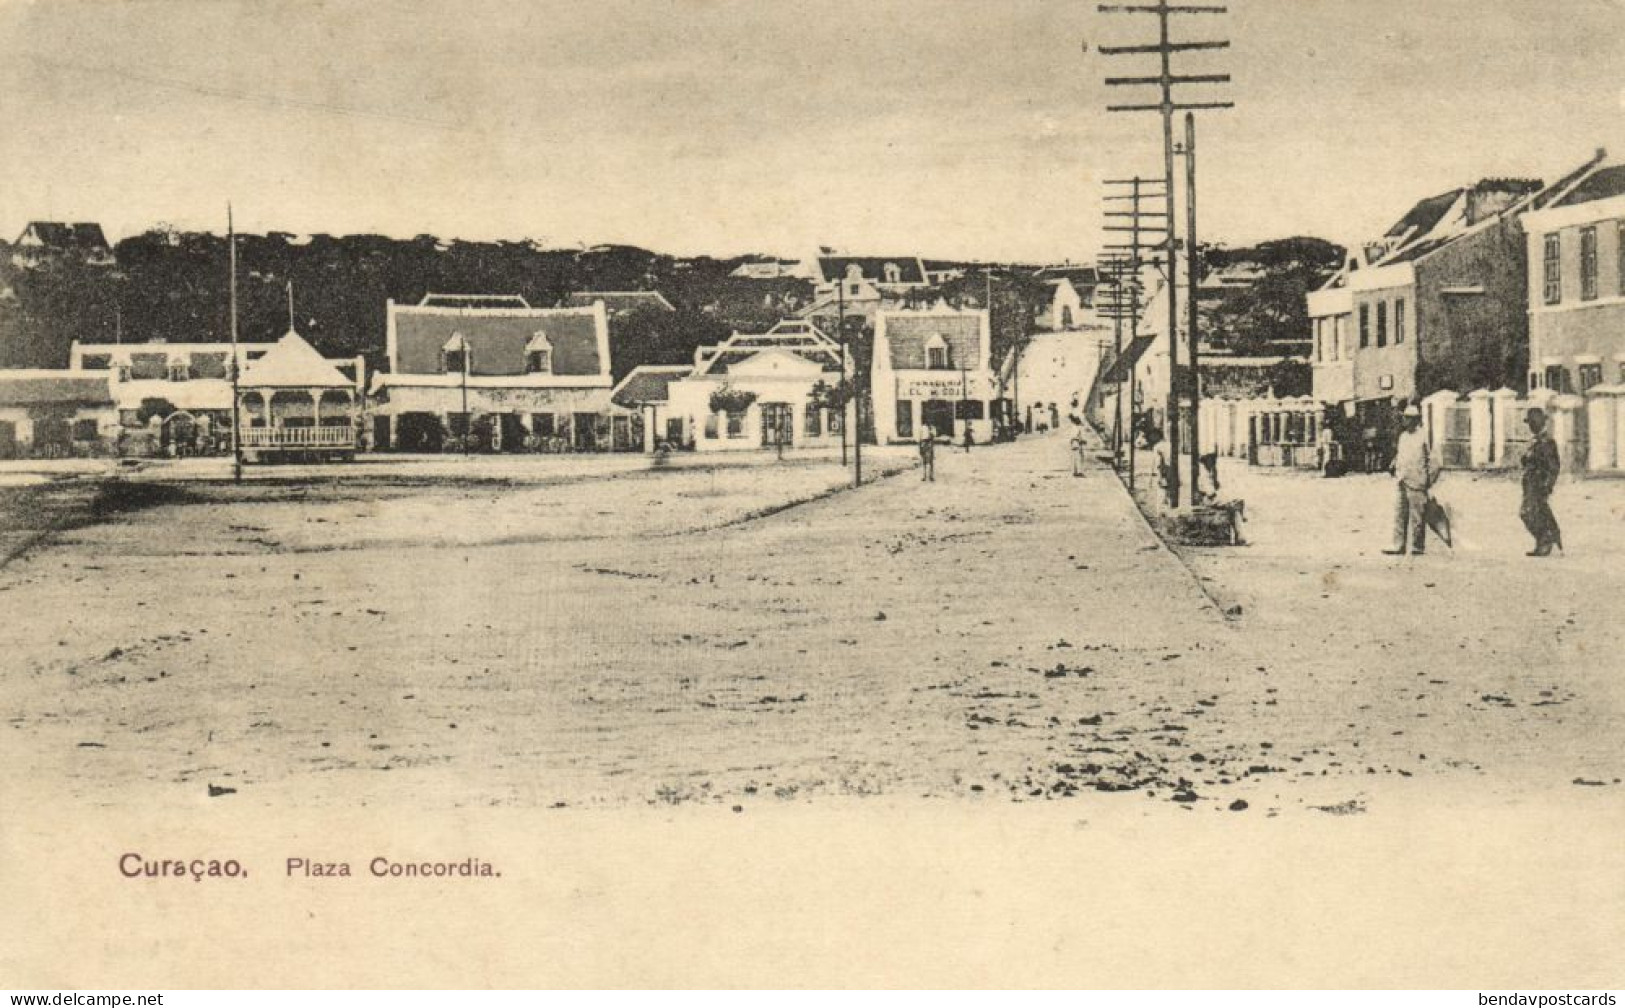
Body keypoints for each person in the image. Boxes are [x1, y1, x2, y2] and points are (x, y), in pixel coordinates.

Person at [1383, 404, 1433, 556]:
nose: (1406, 421)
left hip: (1417, 481)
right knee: (1399, 513)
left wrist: (1428, 480)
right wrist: (1394, 464)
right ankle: (1399, 545)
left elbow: (1433, 460)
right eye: (1405, 418)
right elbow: (1400, 454)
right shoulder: (1403, 436)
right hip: (1402, 478)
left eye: (1409, 418)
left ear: (1416, 420)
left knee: (1417, 515)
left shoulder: (1424, 436)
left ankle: (1417, 546)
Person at [1520, 407, 1562, 556]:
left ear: (1540, 422)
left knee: (1529, 512)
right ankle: (1546, 540)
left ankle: (1546, 541)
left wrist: (1547, 485)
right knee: (1535, 512)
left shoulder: (1547, 442)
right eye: (1530, 423)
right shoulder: (1535, 441)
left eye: (1533, 422)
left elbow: (1554, 467)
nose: (1531, 426)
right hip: (1530, 483)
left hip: (1539, 484)